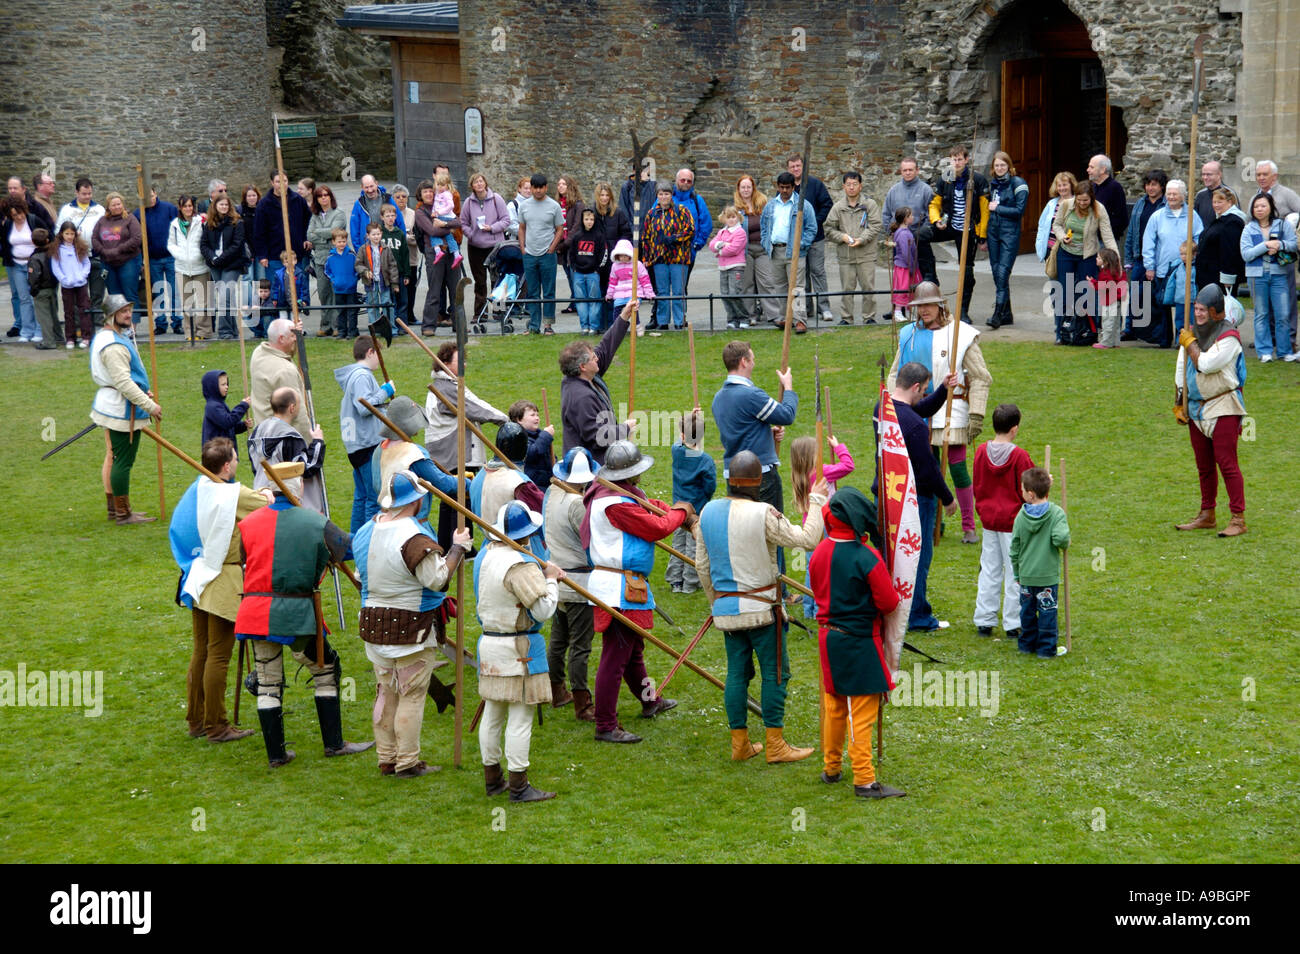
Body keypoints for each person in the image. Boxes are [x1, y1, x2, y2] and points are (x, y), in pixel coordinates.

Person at [235, 460, 372, 767]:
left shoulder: (248, 523)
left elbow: (244, 559)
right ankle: (334, 744)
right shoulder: (314, 522)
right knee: (326, 669)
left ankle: (276, 756)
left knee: (268, 681)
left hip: (254, 612)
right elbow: (348, 548)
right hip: (295, 614)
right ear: (297, 488)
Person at [694, 449, 825, 763]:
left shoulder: (707, 512)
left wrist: (718, 604)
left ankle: (740, 745)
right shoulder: (764, 513)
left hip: (727, 613)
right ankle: (775, 745)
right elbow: (807, 539)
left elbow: (702, 566)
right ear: (757, 482)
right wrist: (817, 501)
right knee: (774, 673)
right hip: (762, 612)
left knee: (737, 675)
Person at [353, 470, 471, 777]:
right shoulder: (414, 538)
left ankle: (387, 757)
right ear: (418, 500)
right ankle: (406, 761)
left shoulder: (367, 530)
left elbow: (360, 573)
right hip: (410, 629)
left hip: (373, 625)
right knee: (411, 694)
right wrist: (457, 548)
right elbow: (437, 579)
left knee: (385, 691)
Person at [581, 440, 690, 743]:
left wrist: (673, 510)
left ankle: (649, 700)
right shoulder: (614, 502)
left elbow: (653, 507)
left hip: (626, 583)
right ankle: (605, 724)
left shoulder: (623, 494)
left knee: (632, 652)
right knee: (615, 657)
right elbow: (657, 527)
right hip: (616, 587)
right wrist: (681, 514)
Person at [170, 437, 270, 742]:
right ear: (226, 466)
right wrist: (265, 491)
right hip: (221, 580)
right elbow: (267, 503)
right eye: (236, 460)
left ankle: (197, 720)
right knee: (217, 654)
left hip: (197, 575)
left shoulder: (197, 488)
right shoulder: (233, 493)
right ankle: (216, 724)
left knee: (201, 651)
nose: (238, 463)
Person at [808, 487, 905, 798]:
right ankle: (864, 780)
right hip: (860, 642)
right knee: (861, 715)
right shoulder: (867, 557)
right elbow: (889, 602)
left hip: (829, 640)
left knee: (835, 707)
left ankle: (832, 767)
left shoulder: (820, 550)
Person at [888, 281, 991, 545]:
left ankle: (968, 525)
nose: (924, 310)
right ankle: (934, 521)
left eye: (928, 305)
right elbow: (894, 375)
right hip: (915, 412)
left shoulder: (960, 334)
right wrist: (895, 408)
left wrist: (976, 413)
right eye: (919, 306)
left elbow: (981, 376)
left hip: (951, 407)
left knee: (957, 467)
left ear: (940, 304)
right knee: (926, 469)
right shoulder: (908, 334)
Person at [474, 500, 562, 800]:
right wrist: (551, 579)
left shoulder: (486, 556)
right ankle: (519, 785)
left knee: (493, 713)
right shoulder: (520, 565)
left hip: (490, 643)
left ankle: (492, 779)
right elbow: (543, 609)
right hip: (517, 647)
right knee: (520, 718)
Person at [711, 340, 798, 582]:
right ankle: (779, 588)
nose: (754, 362)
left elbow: (739, 432)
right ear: (743, 362)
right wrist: (788, 388)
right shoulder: (751, 394)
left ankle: (750, 580)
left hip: (733, 475)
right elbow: (787, 415)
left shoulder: (719, 398)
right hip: (761, 476)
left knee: (745, 531)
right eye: (752, 357)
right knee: (773, 531)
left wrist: (766, 434)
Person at [1173, 284, 1249, 536]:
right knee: (1203, 465)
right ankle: (1207, 514)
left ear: (1216, 312)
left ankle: (1238, 518)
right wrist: (1179, 400)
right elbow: (1182, 367)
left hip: (1224, 404)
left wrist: (1190, 343)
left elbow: (1205, 364)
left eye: (1204, 310)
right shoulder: (1192, 333)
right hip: (1196, 407)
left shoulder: (1229, 339)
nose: (1199, 314)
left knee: (1227, 463)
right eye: (1196, 308)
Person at [90, 293, 161, 524]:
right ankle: (123, 513)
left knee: (113, 456)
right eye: (122, 311)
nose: (128, 314)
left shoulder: (109, 336)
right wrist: (149, 405)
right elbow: (123, 382)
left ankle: (116, 510)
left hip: (114, 403)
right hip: (120, 408)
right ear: (111, 316)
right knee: (122, 460)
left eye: (129, 309)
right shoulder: (112, 345)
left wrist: (142, 390)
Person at [543, 447, 600, 721]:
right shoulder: (576, 504)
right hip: (577, 583)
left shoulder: (552, 492)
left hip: (558, 577)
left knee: (559, 639)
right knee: (580, 645)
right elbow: (590, 540)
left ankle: (556, 691)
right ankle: (582, 703)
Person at [972, 403, 1035, 640]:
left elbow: (977, 483)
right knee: (1015, 571)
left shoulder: (980, 452)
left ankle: (984, 619)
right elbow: (1029, 491)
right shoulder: (1020, 456)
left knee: (989, 569)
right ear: (1014, 428)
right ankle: (1013, 622)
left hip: (989, 520)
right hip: (1013, 523)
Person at [559, 302, 637, 464]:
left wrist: (624, 316)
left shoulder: (582, 376)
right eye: (593, 358)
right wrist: (625, 429)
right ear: (582, 366)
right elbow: (597, 437)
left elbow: (605, 347)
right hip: (589, 470)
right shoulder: (581, 397)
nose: (598, 358)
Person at [333, 335, 396, 531]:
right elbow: (364, 406)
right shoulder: (361, 375)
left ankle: (354, 542)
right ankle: (368, 542)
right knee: (373, 497)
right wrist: (385, 391)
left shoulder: (357, 375)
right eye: (379, 354)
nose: (380, 359)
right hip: (366, 445)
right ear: (370, 352)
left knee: (361, 496)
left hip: (358, 444)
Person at [1010, 467, 1071, 658]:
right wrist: (1066, 538)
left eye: (1021, 489)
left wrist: (1017, 573)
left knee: (1027, 613)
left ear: (1030, 494)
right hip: (1047, 578)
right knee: (1047, 614)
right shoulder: (1056, 514)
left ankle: (1026, 646)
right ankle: (1046, 649)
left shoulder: (1021, 516)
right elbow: (1060, 540)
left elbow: (1015, 548)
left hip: (1027, 577)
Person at [926, 145, 989, 323]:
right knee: (921, 235)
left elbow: (985, 210)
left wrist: (982, 235)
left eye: (960, 159)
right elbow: (934, 204)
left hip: (968, 230)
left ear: (966, 160)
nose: (957, 162)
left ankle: (963, 311)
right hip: (949, 225)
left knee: (967, 271)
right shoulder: (944, 179)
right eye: (954, 159)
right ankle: (930, 276)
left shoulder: (977, 179)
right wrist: (936, 219)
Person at [1054, 180, 1120, 346]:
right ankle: (1063, 331)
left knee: (1086, 293)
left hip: (1088, 255)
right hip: (1066, 253)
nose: (1082, 203)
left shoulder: (1099, 209)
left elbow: (1108, 236)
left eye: (1085, 200)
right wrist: (1063, 237)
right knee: (1065, 292)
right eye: (1079, 200)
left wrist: (1116, 260)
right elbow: (1057, 225)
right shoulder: (1066, 205)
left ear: (1091, 198)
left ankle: (1086, 331)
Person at [1142, 179, 1203, 348]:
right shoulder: (1157, 216)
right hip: (1164, 269)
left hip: (1186, 269)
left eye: (1175, 194)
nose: (1171, 197)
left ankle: (1183, 338)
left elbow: (1199, 237)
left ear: (1183, 195)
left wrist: (1193, 257)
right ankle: (1164, 338)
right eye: (1169, 194)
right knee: (1164, 305)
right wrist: (1149, 266)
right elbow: (1149, 242)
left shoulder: (1192, 216)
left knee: (1185, 305)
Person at [1240, 192, 1298, 363]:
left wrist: (1279, 244)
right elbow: (1246, 254)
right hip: (1256, 276)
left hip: (1279, 274)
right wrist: (1265, 246)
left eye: (1263, 205)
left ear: (1271, 207)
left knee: (1283, 314)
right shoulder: (1248, 228)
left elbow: (1294, 244)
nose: (1259, 209)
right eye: (1256, 206)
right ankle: (1264, 351)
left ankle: (1284, 351)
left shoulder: (1282, 225)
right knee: (1261, 313)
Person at [248, 386, 327, 513]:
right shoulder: (290, 437)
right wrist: (318, 442)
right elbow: (304, 469)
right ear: (292, 408)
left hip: (262, 497)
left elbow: (255, 468)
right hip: (285, 502)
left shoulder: (256, 433)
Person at [759, 172, 817, 333]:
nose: (784, 190)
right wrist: (766, 243)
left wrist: (801, 245)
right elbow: (764, 227)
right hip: (775, 250)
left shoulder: (803, 205)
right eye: (782, 187)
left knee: (797, 287)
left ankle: (800, 320)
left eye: (787, 187)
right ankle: (785, 317)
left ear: (793, 187)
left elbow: (811, 228)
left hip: (795, 252)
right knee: (780, 286)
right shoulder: (771, 205)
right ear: (777, 186)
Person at [666, 410, 716, 595]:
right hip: (696, 509)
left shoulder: (677, 451)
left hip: (678, 508)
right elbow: (710, 486)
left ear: (682, 435)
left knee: (678, 544)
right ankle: (689, 583)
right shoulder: (705, 460)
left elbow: (681, 442)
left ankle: (675, 581)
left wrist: (691, 418)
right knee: (694, 545)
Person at [824, 171, 881, 325]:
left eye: (854, 184)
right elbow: (828, 229)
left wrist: (862, 239)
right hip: (846, 256)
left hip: (866, 254)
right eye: (848, 184)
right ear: (843, 187)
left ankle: (869, 317)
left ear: (860, 186)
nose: (851, 187)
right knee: (847, 289)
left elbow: (875, 226)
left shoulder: (870, 205)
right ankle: (846, 318)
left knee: (868, 288)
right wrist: (841, 237)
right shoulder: (838, 207)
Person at [1252, 159, 1300, 340]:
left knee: (1286, 297)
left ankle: (1289, 336)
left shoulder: (1287, 194)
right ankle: (1269, 335)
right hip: (1261, 255)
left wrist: (1290, 226)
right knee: (1264, 299)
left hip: (1282, 255)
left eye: (1265, 174)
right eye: (1258, 175)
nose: (1261, 178)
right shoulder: (1256, 196)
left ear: (1275, 176)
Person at [641, 182, 695, 330]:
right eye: (661, 194)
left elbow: (690, 230)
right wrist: (646, 257)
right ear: (657, 196)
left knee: (678, 291)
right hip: (658, 259)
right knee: (662, 291)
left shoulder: (681, 210)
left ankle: (679, 321)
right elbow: (645, 237)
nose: (664, 197)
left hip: (679, 258)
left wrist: (675, 238)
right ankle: (663, 321)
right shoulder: (651, 214)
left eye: (666, 193)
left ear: (671, 195)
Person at [786, 154, 833, 322]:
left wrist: (815, 222)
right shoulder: (787, 188)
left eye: (798, 166)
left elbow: (827, 204)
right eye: (792, 167)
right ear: (788, 168)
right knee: (800, 275)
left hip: (816, 238)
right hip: (796, 239)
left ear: (803, 167)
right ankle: (806, 308)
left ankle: (824, 307)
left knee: (817, 272)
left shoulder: (815, 184)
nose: (796, 169)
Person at [984, 151, 1029, 329]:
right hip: (993, 232)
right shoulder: (993, 185)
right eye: (997, 165)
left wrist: (999, 208)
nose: (1000, 168)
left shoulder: (1019, 184)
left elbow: (1019, 211)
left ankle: (997, 315)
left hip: (1010, 233)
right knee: (997, 273)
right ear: (993, 168)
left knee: (1003, 272)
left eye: (1003, 165)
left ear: (1009, 166)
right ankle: (1007, 314)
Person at [1122, 169, 1167, 341]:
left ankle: (1155, 332)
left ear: (1161, 186)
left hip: (1159, 258)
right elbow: (1132, 232)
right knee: (1135, 294)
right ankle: (1129, 329)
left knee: (1155, 297)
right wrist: (1128, 259)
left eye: (1154, 184)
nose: (1150, 188)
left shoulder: (1165, 205)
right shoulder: (1140, 204)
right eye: (1148, 184)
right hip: (1139, 256)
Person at [517, 173, 565, 335]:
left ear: (546, 188)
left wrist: (552, 248)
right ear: (531, 188)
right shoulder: (524, 206)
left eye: (540, 187)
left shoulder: (554, 206)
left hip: (547, 254)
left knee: (549, 290)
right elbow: (522, 227)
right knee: (532, 290)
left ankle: (548, 325)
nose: (537, 191)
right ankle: (534, 325)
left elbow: (560, 229)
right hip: (529, 254)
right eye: (534, 187)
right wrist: (522, 248)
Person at [413, 179, 463, 332]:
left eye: (430, 191)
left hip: (450, 251)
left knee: (456, 290)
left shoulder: (442, 206)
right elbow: (432, 231)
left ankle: (459, 325)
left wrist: (445, 225)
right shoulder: (420, 212)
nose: (429, 194)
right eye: (425, 191)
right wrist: (450, 228)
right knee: (434, 291)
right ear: (420, 195)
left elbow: (460, 222)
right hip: (433, 252)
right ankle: (428, 326)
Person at [460, 173, 510, 322]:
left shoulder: (496, 199)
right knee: (480, 282)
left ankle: (499, 311)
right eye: (476, 182)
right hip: (476, 247)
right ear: (472, 186)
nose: (479, 184)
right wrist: (471, 235)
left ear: (485, 183)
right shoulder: (468, 202)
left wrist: (492, 228)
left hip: (494, 246)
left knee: (498, 279)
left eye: (481, 181)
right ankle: (480, 313)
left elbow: (506, 220)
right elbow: (463, 223)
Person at [54, 177, 107, 318]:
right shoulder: (67, 210)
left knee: (97, 293)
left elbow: (106, 230)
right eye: (84, 194)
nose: (87, 196)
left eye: (90, 193)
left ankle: (96, 324)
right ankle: (81, 326)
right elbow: (58, 231)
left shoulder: (99, 209)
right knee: (79, 295)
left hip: (96, 256)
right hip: (76, 258)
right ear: (76, 192)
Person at [249, 316, 311, 434]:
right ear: (281, 339)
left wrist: (294, 333)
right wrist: (311, 444)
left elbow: (285, 354)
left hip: (262, 434)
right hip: (283, 440)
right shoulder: (285, 371)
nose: (295, 339)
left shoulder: (259, 353)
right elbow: (298, 414)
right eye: (293, 336)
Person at [200, 194, 249, 342]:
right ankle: (233, 330)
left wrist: (221, 259)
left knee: (224, 296)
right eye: (221, 205)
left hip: (232, 264)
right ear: (215, 206)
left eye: (226, 205)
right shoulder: (209, 223)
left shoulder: (237, 222)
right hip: (215, 265)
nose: (224, 207)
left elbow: (237, 244)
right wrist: (213, 258)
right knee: (226, 298)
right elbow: (204, 244)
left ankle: (224, 331)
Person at [135, 186, 181, 335]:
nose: (150, 199)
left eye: (152, 195)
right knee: (157, 292)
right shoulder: (138, 214)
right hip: (152, 260)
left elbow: (178, 230)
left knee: (174, 291)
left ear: (155, 193)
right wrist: (142, 260)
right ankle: (160, 323)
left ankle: (177, 322)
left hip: (170, 257)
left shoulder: (169, 209)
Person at [252, 173, 311, 287]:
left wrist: (306, 239)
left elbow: (308, 222)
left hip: (296, 254)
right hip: (274, 255)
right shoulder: (264, 204)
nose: (282, 184)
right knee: (277, 290)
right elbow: (259, 232)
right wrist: (262, 255)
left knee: (298, 289)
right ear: (272, 183)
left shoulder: (298, 200)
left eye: (285, 180)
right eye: (278, 181)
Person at [882, 157, 936, 283]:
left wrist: (921, 234)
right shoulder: (893, 191)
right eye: (905, 170)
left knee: (925, 278)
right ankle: (903, 301)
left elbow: (931, 215)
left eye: (910, 170)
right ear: (901, 171)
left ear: (917, 170)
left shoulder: (925, 190)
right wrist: (893, 233)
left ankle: (925, 302)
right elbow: (886, 214)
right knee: (903, 279)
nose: (907, 172)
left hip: (919, 242)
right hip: (900, 242)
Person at [91, 192, 143, 322]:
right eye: (113, 205)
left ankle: (132, 327)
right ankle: (118, 324)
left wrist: (118, 250)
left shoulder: (130, 219)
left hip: (128, 261)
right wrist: (104, 251)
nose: (117, 207)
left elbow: (137, 238)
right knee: (114, 296)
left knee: (130, 294)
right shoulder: (102, 221)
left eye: (119, 204)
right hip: (108, 262)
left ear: (123, 204)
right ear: (108, 207)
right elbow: (94, 238)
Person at [167, 195, 213, 336]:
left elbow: (206, 241)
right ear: (180, 207)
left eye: (190, 206)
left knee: (202, 302)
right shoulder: (175, 224)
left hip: (200, 267)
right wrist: (180, 255)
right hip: (182, 268)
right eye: (185, 206)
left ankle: (203, 331)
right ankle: (190, 332)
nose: (188, 208)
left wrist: (199, 255)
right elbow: (171, 244)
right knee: (187, 303)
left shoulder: (201, 222)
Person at [591, 181, 631, 332]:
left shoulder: (618, 213)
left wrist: (618, 250)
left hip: (613, 259)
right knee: (599, 292)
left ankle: (613, 324)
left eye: (607, 195)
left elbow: (625, 233)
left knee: (613, 291)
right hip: (597, 258)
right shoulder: (592, 213)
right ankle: (600, 324)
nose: (604, 198)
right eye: (601, 195)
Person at [307, 185, 347, 337]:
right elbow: (309, 235)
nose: (323, 198)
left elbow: (335, 232)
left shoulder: (339, 214)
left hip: (336, 258)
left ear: (330, 197)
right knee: (323, 292)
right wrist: (326, 236)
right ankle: (325, 325)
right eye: (320, 196)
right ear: (316, 199)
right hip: (320, 259)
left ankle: (337, 325)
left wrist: (318, 234)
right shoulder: (315, 216)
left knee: (335, 291)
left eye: (326, 195)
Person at [734, 174, 773, 325]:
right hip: (745, 250)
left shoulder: (763, 204)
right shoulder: (736, 209)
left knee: (767, 282)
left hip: (762, 248)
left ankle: (773, 315)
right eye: (743, 187)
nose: (745, 190)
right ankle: (750, 315)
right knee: (747, 284)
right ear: (739, 189)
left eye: (748, 187)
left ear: (753, 188)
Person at [1194, 187, 1247, 297]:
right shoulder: (1220, 219)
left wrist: (1227, 277)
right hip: (1209, 275)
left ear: (1229, 202)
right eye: (1214, 202)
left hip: (1219, 279)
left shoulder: (1233, 222)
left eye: (1220, 201)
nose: (1216, 205)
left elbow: (1230, 251)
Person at [51, 220, 93, 348]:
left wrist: (82, 275)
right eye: (67, 233)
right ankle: (70, 338)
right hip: (67, 285)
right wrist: (63, 279)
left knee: (84, 309)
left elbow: (87, 263)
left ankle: (86, 337)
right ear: (61, 234)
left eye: (72, 234)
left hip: (81, 284)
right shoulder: (57, 249)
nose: (69, 236)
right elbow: (56, 267)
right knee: (68, 312)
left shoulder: (80, 247)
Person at [355, 220, 398, 341]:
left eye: (378, 234)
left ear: (381, 234)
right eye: (373, 234)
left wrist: (394, 283)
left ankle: (391, 329)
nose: (376, 237)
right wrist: (364, 271)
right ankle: (375, 329)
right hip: (370, 283)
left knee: (387, 305)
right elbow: (358, 264)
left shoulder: (386, 248)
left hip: (384, 282)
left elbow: (392, 266)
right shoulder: (363, 249)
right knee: (372, 306)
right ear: (368, 236)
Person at [567, 207, 608, 334]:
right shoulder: (577, 236)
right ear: (582, 220)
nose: (589, 221)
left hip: (593, 274)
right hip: (578, 273)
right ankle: (584, 326)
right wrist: (574, 268)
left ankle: (594, 327)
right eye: (586, 219)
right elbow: (571, 254)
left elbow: (604, 254)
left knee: (594, 301)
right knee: (580, 301)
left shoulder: (599, 236)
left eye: (591, 219)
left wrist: (597, 269)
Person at [708, 204, 749, 329]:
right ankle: (732, 319)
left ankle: (743, 318)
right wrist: (722, 244)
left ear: (738, 218)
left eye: (733, 217)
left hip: (736, 266)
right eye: (729, 217)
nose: (731, 219)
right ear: (724, 218)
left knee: (734, 293)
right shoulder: (722, 231)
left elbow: (733, 249)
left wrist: (719, 251)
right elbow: (711, 244)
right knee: (725, 294)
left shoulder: (740, 232)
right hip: (723, 267)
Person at [672, 168, 712, 294]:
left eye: (689, 181)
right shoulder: (666, 197)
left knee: (682, 287)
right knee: (662, 289)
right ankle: (658, 314)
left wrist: (697, 244)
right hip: (666, 250)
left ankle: (681, 313)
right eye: (682, 180)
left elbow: (706, 224)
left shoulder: (697, 200)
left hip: (688, 251)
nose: (685, 183)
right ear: (677, 180)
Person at [391, 184, 423, 329]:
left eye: (404, 196)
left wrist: (407, 237)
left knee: (411, 288)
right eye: (397, 197)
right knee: (396, 290)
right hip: (394, 260)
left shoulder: (413, 214)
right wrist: (406, 236)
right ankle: (397, 316)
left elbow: (417, 237)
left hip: (411, 258)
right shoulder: (390, 213)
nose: (401, 199)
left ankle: (410, 315)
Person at [506, 399, 555, 491]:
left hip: (547, 485)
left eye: (537, 415)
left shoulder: (539, 436)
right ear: (519, 419)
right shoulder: (517, 438)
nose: (537, 418)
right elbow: (532, 453)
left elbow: (551, 457)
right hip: (532, 487)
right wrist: (546, 436)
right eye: (532, 415)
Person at [26, 228, 62, 349]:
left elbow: (34, 276)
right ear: (47, 240)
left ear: (33, 241)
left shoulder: (35, 258)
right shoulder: (52, 254)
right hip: (52, 287)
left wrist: (33, 290)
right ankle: (59, 337)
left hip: (41, 290)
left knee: (44, 317)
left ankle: (48, 341)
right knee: (53, 314)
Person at [199, 369, 250, 448]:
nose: (227, 387)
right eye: (223, 385)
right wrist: (243, 406)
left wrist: (244, 425)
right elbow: (227, 422)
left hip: (226, 451)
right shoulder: (212, 407)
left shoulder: (220, 404)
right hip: (217, 454)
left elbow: (230, 428)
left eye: (227, 384)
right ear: (213, 387)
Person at [603, 239, 654, 319]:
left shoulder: (637, 264)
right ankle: (617, 327)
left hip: (635, 292)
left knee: (633, 307)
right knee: (616, 309)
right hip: (619, 294)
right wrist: (609, 295)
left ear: (630, 255)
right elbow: (612, 282)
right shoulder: (615, 266)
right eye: (620, 256)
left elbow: (645, 280)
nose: (623, 258)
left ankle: (637, 326)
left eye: (625, 256)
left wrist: (649, 293)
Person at [1086, 154, 1128, 247]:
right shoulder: (1092, 187)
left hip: (1106, 242)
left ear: (1102, 170)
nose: (1088, 170)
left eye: (1091, 167)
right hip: (1091, 240)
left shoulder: (1115, 188)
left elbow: (1122, 219)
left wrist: (1106, 235)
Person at [1089, 247, 1128, 350]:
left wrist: (1093, 283)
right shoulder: (1117, 271)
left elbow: (1104, 286)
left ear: (1105, 262)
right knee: (1115, 323)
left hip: (1109, 301)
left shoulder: (1105, 273)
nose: (1096, 259)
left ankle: (1105, 342)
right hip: (1117, 301)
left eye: (1098, 258)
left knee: (1107, 322)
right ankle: (1115, 342)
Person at [1035, 172, 1078, 263]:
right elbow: (1042, 226)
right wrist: (1039, 245)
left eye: (1065, 185)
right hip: (1051, 249)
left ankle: (1069, 278)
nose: (1062, 188)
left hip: (1069, 249)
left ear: (1071, 185)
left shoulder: (1078, 203)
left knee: (1069, 275)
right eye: (1059, 185)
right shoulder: (1051, 204)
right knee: (1053, 275)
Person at [555, 176, 584, 313]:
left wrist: (564, 244)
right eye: (559, 184)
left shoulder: (578, 204)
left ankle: (579, 303)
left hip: (572, 247)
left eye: (564, 184)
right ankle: (574, 302)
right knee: (568, 275)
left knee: (575, 276)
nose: (560, 186)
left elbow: (577, 227)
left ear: (570, 186)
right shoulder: (556, 205)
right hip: (562, 246)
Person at [424, 172, 464, 270]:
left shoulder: (446, 194)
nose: (440, 187)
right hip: (443, 216)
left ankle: (438, 251)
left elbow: (451, 206)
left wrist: (438, 213)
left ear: (447, 185)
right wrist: (434, 213)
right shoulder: (438, 194)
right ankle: (456, 254)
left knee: (433, 233)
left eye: (443, 185)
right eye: (438, 185)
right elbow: (436, 206)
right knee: (449, 236)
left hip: (446, 216)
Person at [323, 228, 358, 338]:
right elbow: (327, 271)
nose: (341, 244)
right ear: (334, 242)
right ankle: (342, 332)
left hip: (351, 288)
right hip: (338, 289)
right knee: (341, 311)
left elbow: (357, 268)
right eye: (339, 241)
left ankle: (352, 332)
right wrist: (334, 280)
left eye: (343, 241)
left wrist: (354, 279)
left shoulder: (352, 255)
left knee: (352, 311)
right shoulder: (331, 257)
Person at [347, 174, 395, 253]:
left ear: (376, 183)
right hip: (367, 247)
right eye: (366, 187)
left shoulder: (388, 199)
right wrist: (359, 251)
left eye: (371, 186)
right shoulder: (358, 204)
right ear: (362, 187)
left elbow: (399, 222)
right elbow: (354, 230)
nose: (370, 190)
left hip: (388, 244)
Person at [889, 207, 921, 321]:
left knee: (911, 289)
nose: (913, 217)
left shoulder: (906, 231)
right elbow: (906, 252)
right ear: (905, 219)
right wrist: (911, 267)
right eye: (910, 215)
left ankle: (909, 311)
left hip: (909, 266)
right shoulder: (903, 234)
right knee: (902, 288)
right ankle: (898, 312)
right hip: (905, 267)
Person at [1194, 160, 1237, 227]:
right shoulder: (1200, 195)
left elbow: (1237, 218)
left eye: (1209, 174)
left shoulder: (1229, 193)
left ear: (1219, 175)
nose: (1205, 177)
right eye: (1203, 174)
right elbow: (1195, 220)